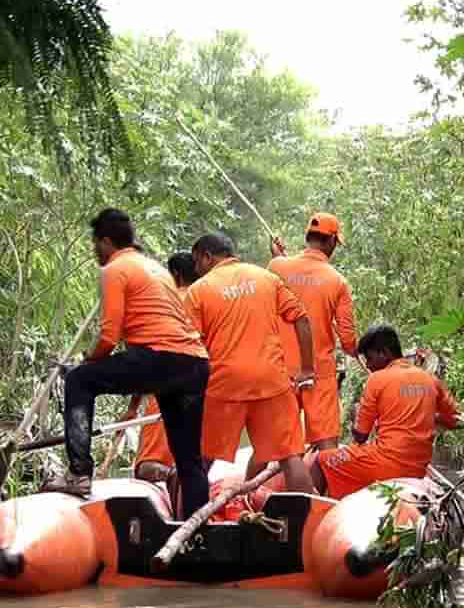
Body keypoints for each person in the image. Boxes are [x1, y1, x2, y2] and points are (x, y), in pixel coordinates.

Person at [46, 209, 211, 518]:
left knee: (79, 381)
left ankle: (79, 472)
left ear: (106, 242)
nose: (95, 250)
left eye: (95, 243)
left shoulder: (115, 268)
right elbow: (146, 346)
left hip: (161, 359)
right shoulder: (156, 269)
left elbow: (109, 337)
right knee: (189, 459)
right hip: (194, 363)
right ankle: (196, 530)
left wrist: (84, 363)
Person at [186, 230, 315, 492]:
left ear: (207, 257)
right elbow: (302, 318)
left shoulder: (198, 290)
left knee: (200, 459)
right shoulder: (267, 278)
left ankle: (186, 522)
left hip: (224, 384)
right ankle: (309, 523)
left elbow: (188, 345)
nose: (196, 269)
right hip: (271, 381)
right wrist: (307, 369)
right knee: (290, 457)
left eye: (196, 262)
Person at [308, 325, 461, 499]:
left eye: (370, 358)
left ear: (384, 353)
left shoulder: (377, 380)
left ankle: (311, 521)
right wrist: (427, 417)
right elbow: (456, 420)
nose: (368, 365)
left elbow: (360, 436)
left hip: (385, 464)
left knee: (321, 461)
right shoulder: (431, 380)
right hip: (418, 468)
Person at [268, 213, 358, 453]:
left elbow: (279, 285)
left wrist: (278, 258)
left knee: (272, 443)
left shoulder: (276, 267)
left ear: (307, 237)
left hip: (280, 370)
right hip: (319, 372)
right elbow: (348, 339)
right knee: (327, 442)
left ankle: (248, 490)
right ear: (330, 241)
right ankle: (325, 490)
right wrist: (356, 352)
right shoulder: (338, 281)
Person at [133, 252, 200, 490]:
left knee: (147, 465)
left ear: (175, 275)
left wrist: (133, 407)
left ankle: (172, 475)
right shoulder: (208, 298)